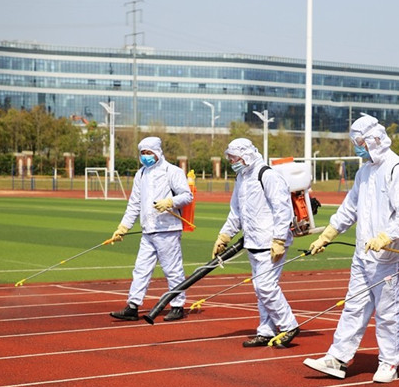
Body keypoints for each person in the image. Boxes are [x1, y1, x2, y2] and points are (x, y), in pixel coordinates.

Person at [303, 114, 399, 383]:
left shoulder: (395, 169)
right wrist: (327, 234)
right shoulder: (364, 171)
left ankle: (390, 362)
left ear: (373, 140)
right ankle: (339, 357)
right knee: (353, 306)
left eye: (359, 142)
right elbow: (350, 208)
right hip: (362, 255)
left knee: (389, 312)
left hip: (387, 257)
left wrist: (385, 237)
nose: (356, 147)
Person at [213, 138, 300, 348]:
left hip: (271, 242)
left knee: (266, 287)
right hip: (253, 241)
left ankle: (289, 325)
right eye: (230, 157)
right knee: (260, 289)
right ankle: (266, 331)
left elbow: (282, 208)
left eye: (234, 157)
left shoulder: (267, 175)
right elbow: (236, 211)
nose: (231, 161)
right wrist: (224, 236)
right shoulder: (241, 178)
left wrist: (279, 238)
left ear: (246, 155)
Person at [110, 136, 193, 322]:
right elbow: (134, 204)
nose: (146, 157)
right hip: (148, 230)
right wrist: (123, 227)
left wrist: (170, 202)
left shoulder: (172, 171)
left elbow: (187, 196)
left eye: (149, 153)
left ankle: (177, 305)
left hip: (168, 230)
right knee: (141, 269)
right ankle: (133, 306)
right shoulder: (141, 174)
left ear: (157, 152)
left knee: (172, 269)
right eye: (143, 154)